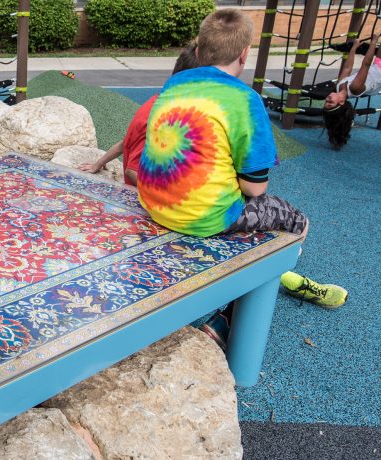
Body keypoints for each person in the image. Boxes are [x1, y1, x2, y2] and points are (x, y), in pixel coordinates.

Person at [137, 9, 348, 350]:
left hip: (153, 203)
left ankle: (261, 277)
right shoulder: (244, 100)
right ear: (244, 54)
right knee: (297, 223)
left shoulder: (174, 85)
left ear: (200, 50)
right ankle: (228, 319)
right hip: (203, 216)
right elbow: (255, 187)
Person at [78, 43, 201, 185]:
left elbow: (124, 144)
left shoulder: (155, 102)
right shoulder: (160, 120)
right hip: (142, 197)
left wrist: (97, 164)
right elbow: (132, 171)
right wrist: (162, 198)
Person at [321, 34, 381, 149]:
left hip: (377, 65)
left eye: (325, 103)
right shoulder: (355, 88)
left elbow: (347, 68)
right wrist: (373, 42)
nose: (327, 100)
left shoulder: (339, 86)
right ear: (342, 102)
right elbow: (365, 65)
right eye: (330, 103)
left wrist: (354, 47)